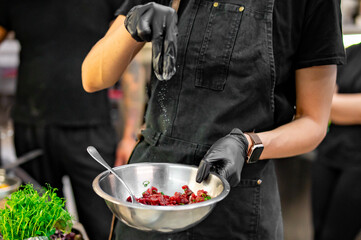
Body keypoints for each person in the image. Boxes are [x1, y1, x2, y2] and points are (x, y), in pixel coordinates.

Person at [82, 0, 346, 239]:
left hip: (237, 203)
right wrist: (133, 24)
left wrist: (247, 144)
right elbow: (92, 76)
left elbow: (314, 122)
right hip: (149, 198)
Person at [0, 1, 146, 239]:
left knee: (106, 228)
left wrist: (130, 134)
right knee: (41, 229)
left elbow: (130, 63)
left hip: (92, 131)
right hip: (32, 131)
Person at [311, 42, 361, 240]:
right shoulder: (350, 52)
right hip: (329, 152)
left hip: (358, 165)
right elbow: (320, 103)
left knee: (337, 235)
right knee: (318, 230)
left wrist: (331, 104)